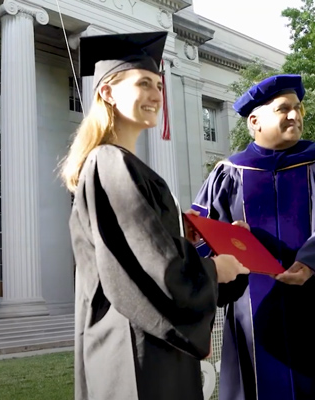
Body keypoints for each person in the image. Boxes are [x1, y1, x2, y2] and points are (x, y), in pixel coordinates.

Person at [59, 31, 249, 400]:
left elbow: (146, 247)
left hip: (147, 342)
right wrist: (215, 269)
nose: (156, 95)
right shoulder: (109, 162)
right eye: (144, 83)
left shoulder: (124, 165)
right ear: (108, 93)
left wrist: (195, 237)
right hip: (132, 348)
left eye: (159, 86)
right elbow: (152, 268)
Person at [191, 74, 315, 400]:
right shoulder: (227, 175)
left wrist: (311, 262)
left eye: (298, 108)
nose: (296, 115)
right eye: (283, 109)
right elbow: (200, 239)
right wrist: (229, 242)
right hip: (254, 318)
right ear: (255, 121)